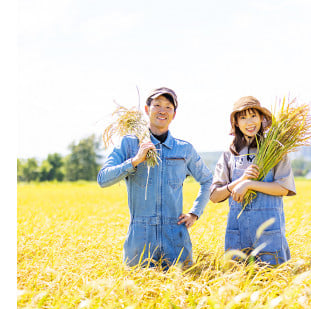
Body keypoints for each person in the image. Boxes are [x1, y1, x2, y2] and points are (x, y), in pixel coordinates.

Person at [98, 87, 213, 270]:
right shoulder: (130, 143)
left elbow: (208, 180)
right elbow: (103, 179)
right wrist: (135, 160)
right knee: (137, 295)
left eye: (168, 107)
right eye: (157, 105)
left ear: (174, 114)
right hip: (140, 237)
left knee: (180, 293)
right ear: (146, 109)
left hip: (175, 237)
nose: (162, 110)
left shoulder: (184, 149)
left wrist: (195, 212)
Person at [210, 96, 296, 265]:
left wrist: (249, 184)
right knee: (238, 286)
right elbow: (214, 196)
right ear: (236, 122)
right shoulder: (229, 155)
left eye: (253, 116)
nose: (249, 122)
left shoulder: (276, 150)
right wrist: (240, 181)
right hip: (238, 236)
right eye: (243, 117)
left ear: (261, 119)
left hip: (269, 235)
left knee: (274, 284)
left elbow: (284, 188)